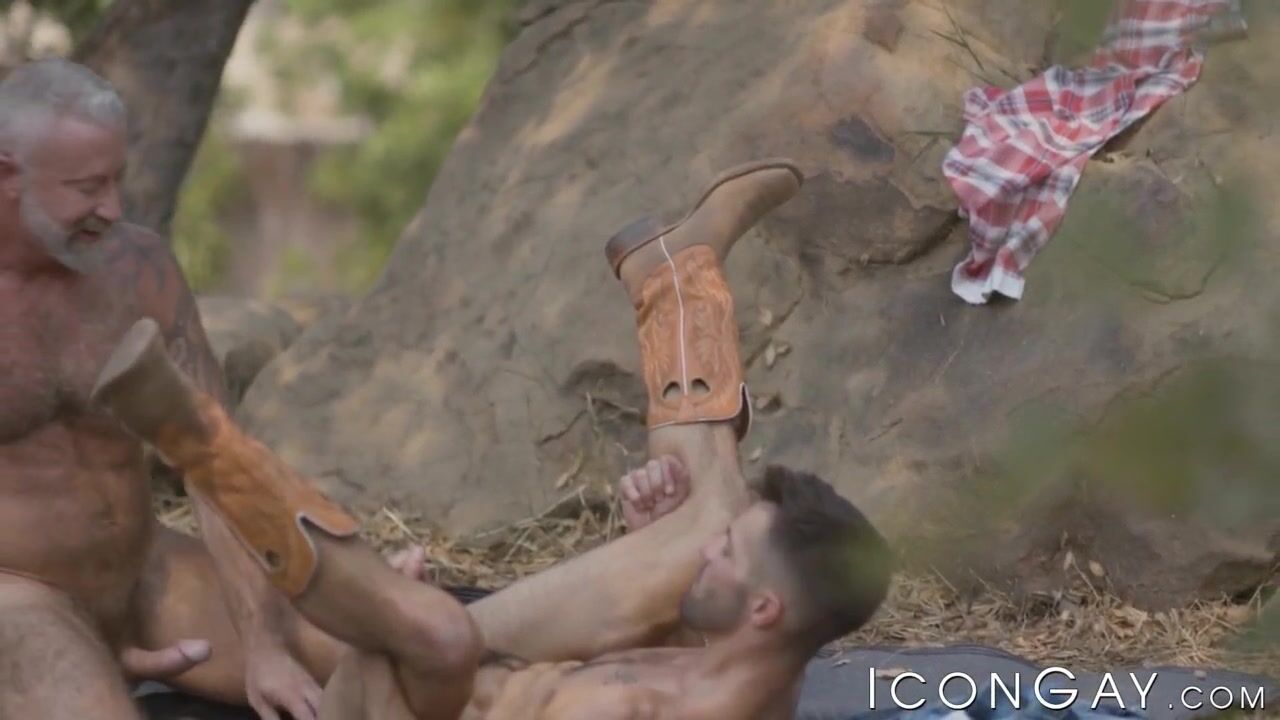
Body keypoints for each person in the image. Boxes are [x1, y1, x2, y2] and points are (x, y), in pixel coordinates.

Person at [92, 155, 895, 718]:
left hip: (387, 687)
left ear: (764, 607)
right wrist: (655, 547)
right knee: (689, 523)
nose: (716, 551)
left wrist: (390, 624)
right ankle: (678, 285)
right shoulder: (737, 670)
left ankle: (196, 437)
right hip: (425, 670)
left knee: (433, 632)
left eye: (729, 554)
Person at [0, 59, 349, 719]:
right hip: (18, 597)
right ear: (7, 175)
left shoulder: (140, 269)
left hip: (147, 572)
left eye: (117, 179)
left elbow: (219, 466)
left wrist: (266, 641)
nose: (113, 208)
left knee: (380, 654)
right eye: (87, 187)